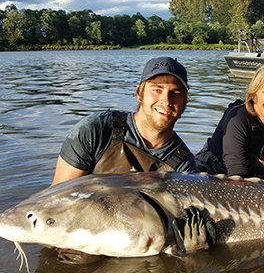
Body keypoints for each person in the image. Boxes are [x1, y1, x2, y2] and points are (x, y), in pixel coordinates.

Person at [51, 56, 197, 186]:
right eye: (157, 90)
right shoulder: (97, 130)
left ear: (184, 103)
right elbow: (55, 199)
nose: (166, 101)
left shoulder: (183, 165)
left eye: (175, 93)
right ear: (139, 93)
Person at [195, 62, 264, 181]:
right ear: (253, 95)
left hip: (257, 184)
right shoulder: (237, 118)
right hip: (211, 176)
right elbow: (237, 176)